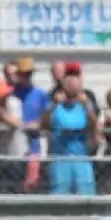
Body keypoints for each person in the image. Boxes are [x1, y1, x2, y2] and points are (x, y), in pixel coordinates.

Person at [41, 64, 98, 196]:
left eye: (75, 79)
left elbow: (94, 126)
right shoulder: (55, 104)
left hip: (81, 158)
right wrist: (53, 105)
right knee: (60, 194)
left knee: (86, 194)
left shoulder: (85, 104)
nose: (72, 83)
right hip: (60, 158)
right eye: (69, 80)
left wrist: (87, 109)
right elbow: (44, 125)